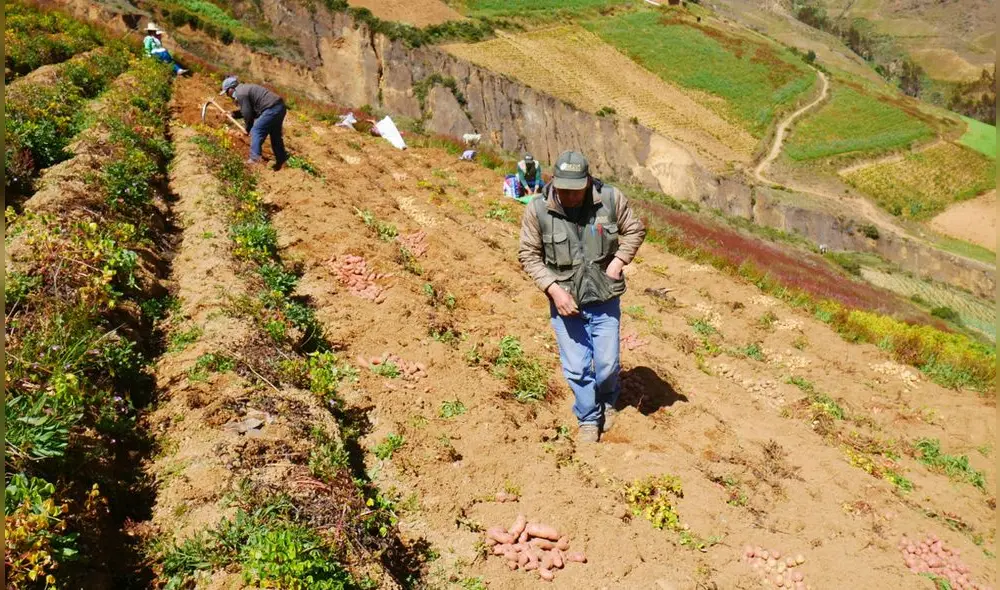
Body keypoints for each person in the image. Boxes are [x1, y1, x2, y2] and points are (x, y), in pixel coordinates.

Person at [517, 151, 646, 443]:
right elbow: (528, 254)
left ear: (587, 182)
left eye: (576, 190)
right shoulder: (538, 210)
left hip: (604, 300)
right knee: (576, 368)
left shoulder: (610, 199)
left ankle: (608, 400)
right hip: (566, 304)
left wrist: (619, 260)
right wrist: (553, 289)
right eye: (563, 189)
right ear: (554, 181)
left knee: (607, 364)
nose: (569, 196)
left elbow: (635, 229)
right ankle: (588, 417)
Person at [220, 76, 289, 170]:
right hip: (279, 107)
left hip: (271, 109)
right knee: (275, 136)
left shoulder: (241, 94)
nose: (228, 95)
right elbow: (251, 111)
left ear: (231, 89)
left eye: (227, 92)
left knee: (256, 130)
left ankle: (254, 159)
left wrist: (248, 129)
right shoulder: (244, 89)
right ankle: (282, 161)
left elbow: (248, 114)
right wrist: (233, 114)